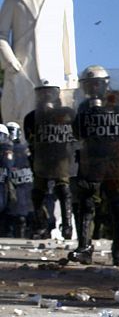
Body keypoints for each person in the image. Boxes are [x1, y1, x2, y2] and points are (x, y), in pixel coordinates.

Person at [68, 65, 119, 266]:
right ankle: (84, 248)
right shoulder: (84, 106)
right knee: (88, 203)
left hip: (117, 161)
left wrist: (108, 112)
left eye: (96, 83)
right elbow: (77, 133)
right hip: (92, 161)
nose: (93, 88)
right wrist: (89, 113)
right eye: (89, 84)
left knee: (118, 206)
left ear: (105, 83)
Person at [0, 0, 78, 125]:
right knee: (20, 118)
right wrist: (10, 61)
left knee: (55, 120)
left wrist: (71, 73)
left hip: (53, 70)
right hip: (22, 69)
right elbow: (1, 34)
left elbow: (68, 38)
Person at [23, 79, 75, 239]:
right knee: (38, 192)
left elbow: (75, 134)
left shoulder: (66, 113)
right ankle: (42, 225)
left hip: (61, 158)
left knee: (63, 188)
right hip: (42, 158)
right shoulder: (31, 117)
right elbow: (30, 139)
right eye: (43, 92)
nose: (46, 95)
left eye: (50, 92)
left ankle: (67, 226)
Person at [4, 122, 33, 237]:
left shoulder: (23, 149)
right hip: (12, 185)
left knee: (21, 215)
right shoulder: (5, 149)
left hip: (23, 184)